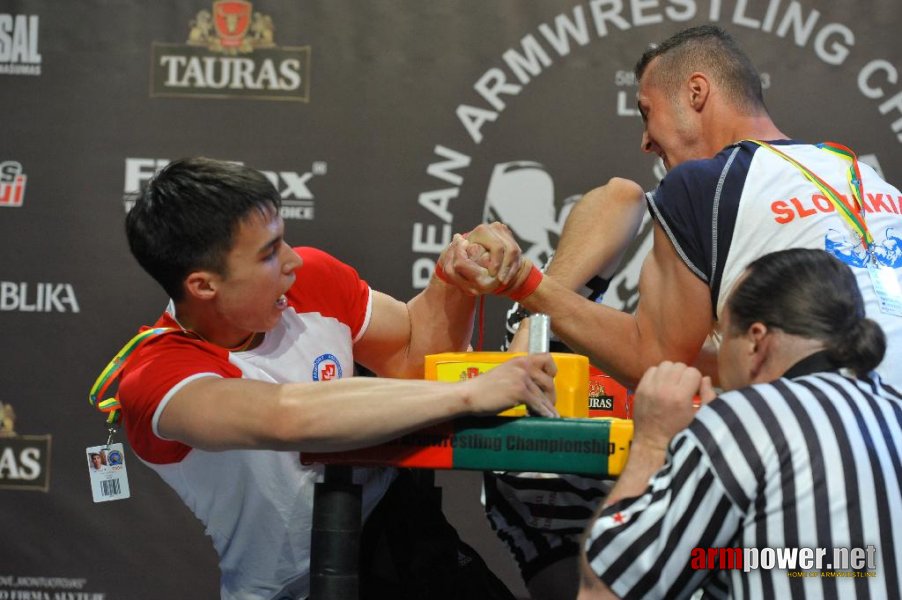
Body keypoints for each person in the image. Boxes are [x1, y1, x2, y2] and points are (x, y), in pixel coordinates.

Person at [114, 157, 557, 600]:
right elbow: (285, 417)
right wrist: (470, 394)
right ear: (203, 286)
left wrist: (455, 274)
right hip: (292, 591)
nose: (291, 261)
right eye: (268, 253)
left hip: (401, 541)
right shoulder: (155, 376)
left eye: (283, 240)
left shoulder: (311, 278)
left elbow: (410, 356)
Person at [453, 25, 902, 389]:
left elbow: (657, 360)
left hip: (831, 427)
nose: (646, 140)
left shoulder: (703, 183)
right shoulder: (858, 173)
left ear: (697, 93)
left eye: (647, 112)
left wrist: (524, 284)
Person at [578, 247, 902, 598]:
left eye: (722, 335)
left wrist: (653, 441)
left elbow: (605, 589)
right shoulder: (894, 409)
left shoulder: (746, 419)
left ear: (755, 340)